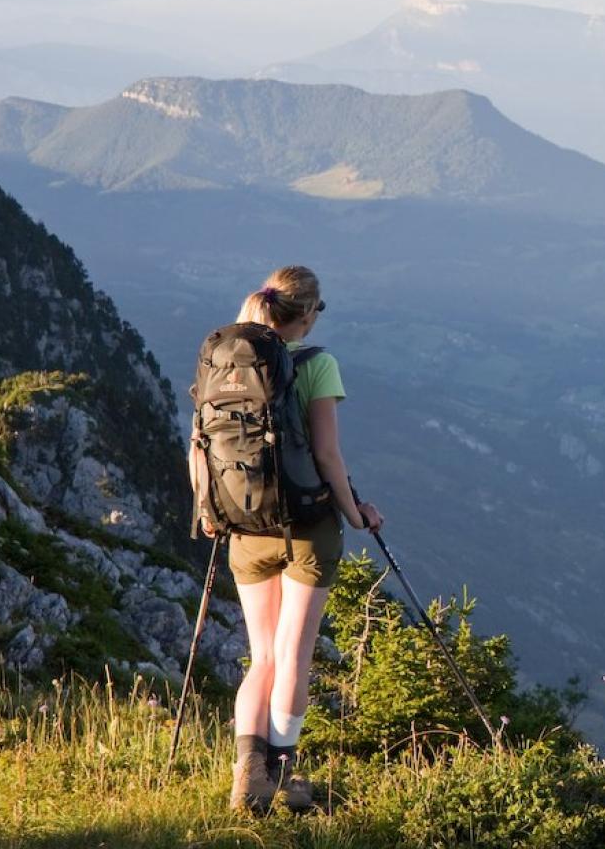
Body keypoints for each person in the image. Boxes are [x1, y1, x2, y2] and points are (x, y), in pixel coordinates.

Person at [190, 265, 384, 812]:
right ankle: (281, 778)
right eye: (319, 310)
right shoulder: (318, 365)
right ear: (304, 315)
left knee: (262, 657)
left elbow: (200, 443)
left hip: (244, 526)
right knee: (293, 656)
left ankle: (246, 778)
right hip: (305, 529)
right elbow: (326, 455)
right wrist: (357, 513)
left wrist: (208, 508)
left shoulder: (223, 359)